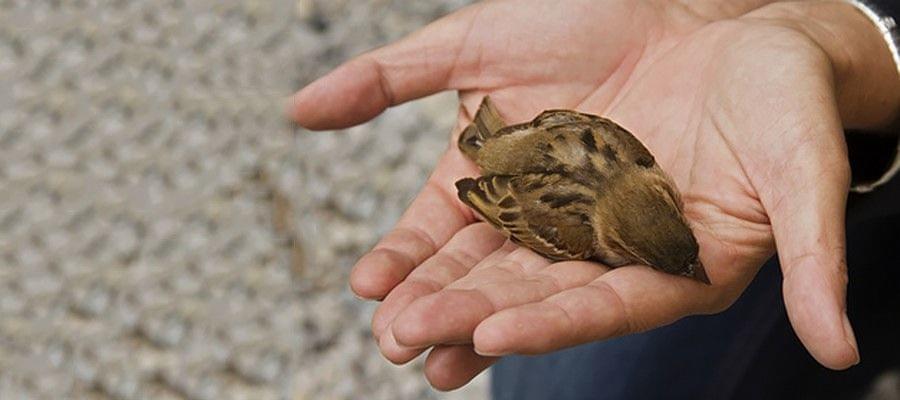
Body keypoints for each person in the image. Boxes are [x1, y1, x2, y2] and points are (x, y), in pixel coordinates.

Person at [289, 0, 900, 398]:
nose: (693, 267)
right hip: (512, 161)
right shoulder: (584, 224)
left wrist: (853, 43)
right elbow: (498, 197)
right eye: (673, 262)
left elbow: (563, 129)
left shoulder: (629, 162)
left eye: (681, 257)